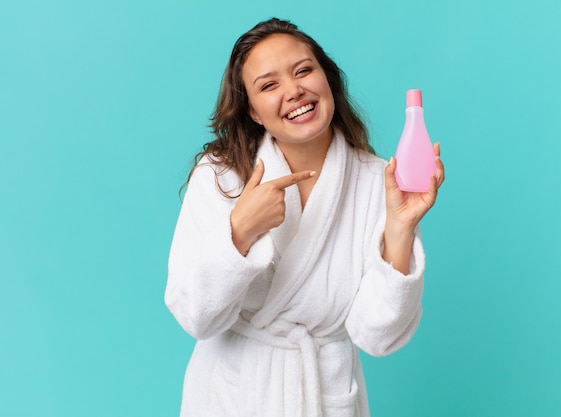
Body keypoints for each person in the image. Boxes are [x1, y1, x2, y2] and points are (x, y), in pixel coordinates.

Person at [165, 17, 445, 417]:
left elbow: (378, 337)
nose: (294, 91)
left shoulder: (375, 181)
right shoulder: (220, 176)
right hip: (233, 395)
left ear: (327, 80)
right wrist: (240, 231)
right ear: (254, 111)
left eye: (303, 71)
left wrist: (400, 230)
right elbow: (196, 317)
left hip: (325, 397)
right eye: (269, 85)